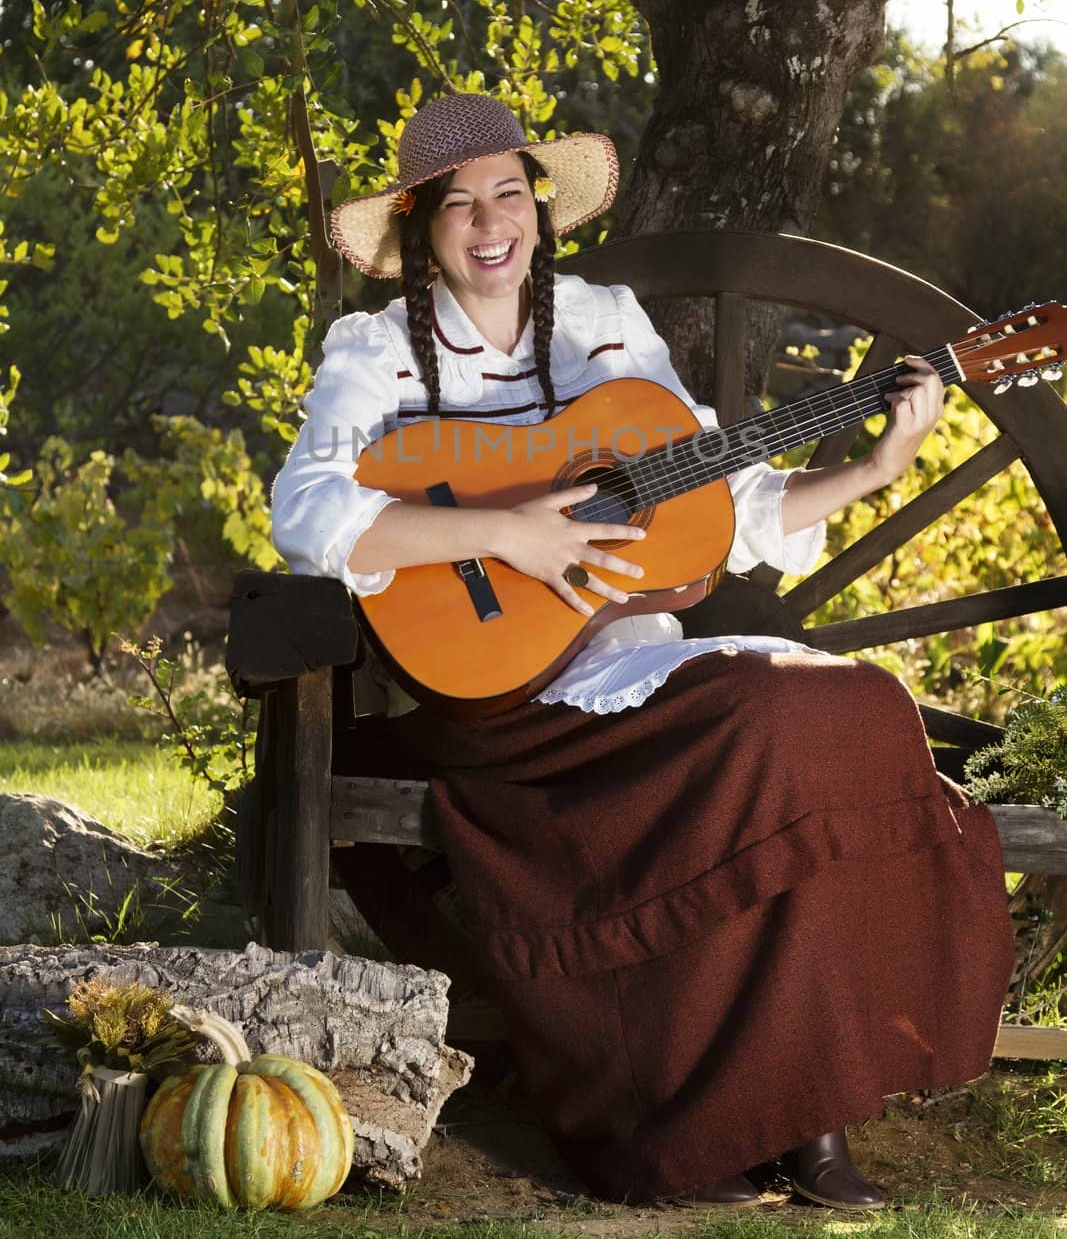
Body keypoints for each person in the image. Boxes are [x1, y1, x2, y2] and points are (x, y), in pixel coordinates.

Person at [271, 92, 1016, 1212]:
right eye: (459, 201)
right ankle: (680, 1132)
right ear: (421, 226)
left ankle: (808, 1114)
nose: (489, 221)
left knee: (847, 714)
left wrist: (872, 465)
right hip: (500, 695)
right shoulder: (376, 350)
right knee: (768, 728)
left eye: (509, 193)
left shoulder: (603, 321)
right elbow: (307, 505)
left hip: (628, 667)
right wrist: (507, 532)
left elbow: (730, 498)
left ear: (538, 208)